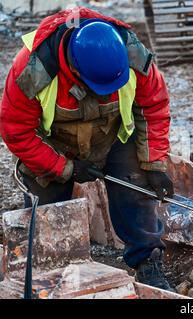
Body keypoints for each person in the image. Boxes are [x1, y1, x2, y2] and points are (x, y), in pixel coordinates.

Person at [0, 7, 175, 290]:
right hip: (54, 144)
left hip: (113, 135)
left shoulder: (132, 54)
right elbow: (16, 131)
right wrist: (64, 168)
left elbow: (154, 106)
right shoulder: (34, 69)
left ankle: (148, 261)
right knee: (49, 216)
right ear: (75, 69)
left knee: (136, 184)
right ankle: (51, 277)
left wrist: (154, 164)